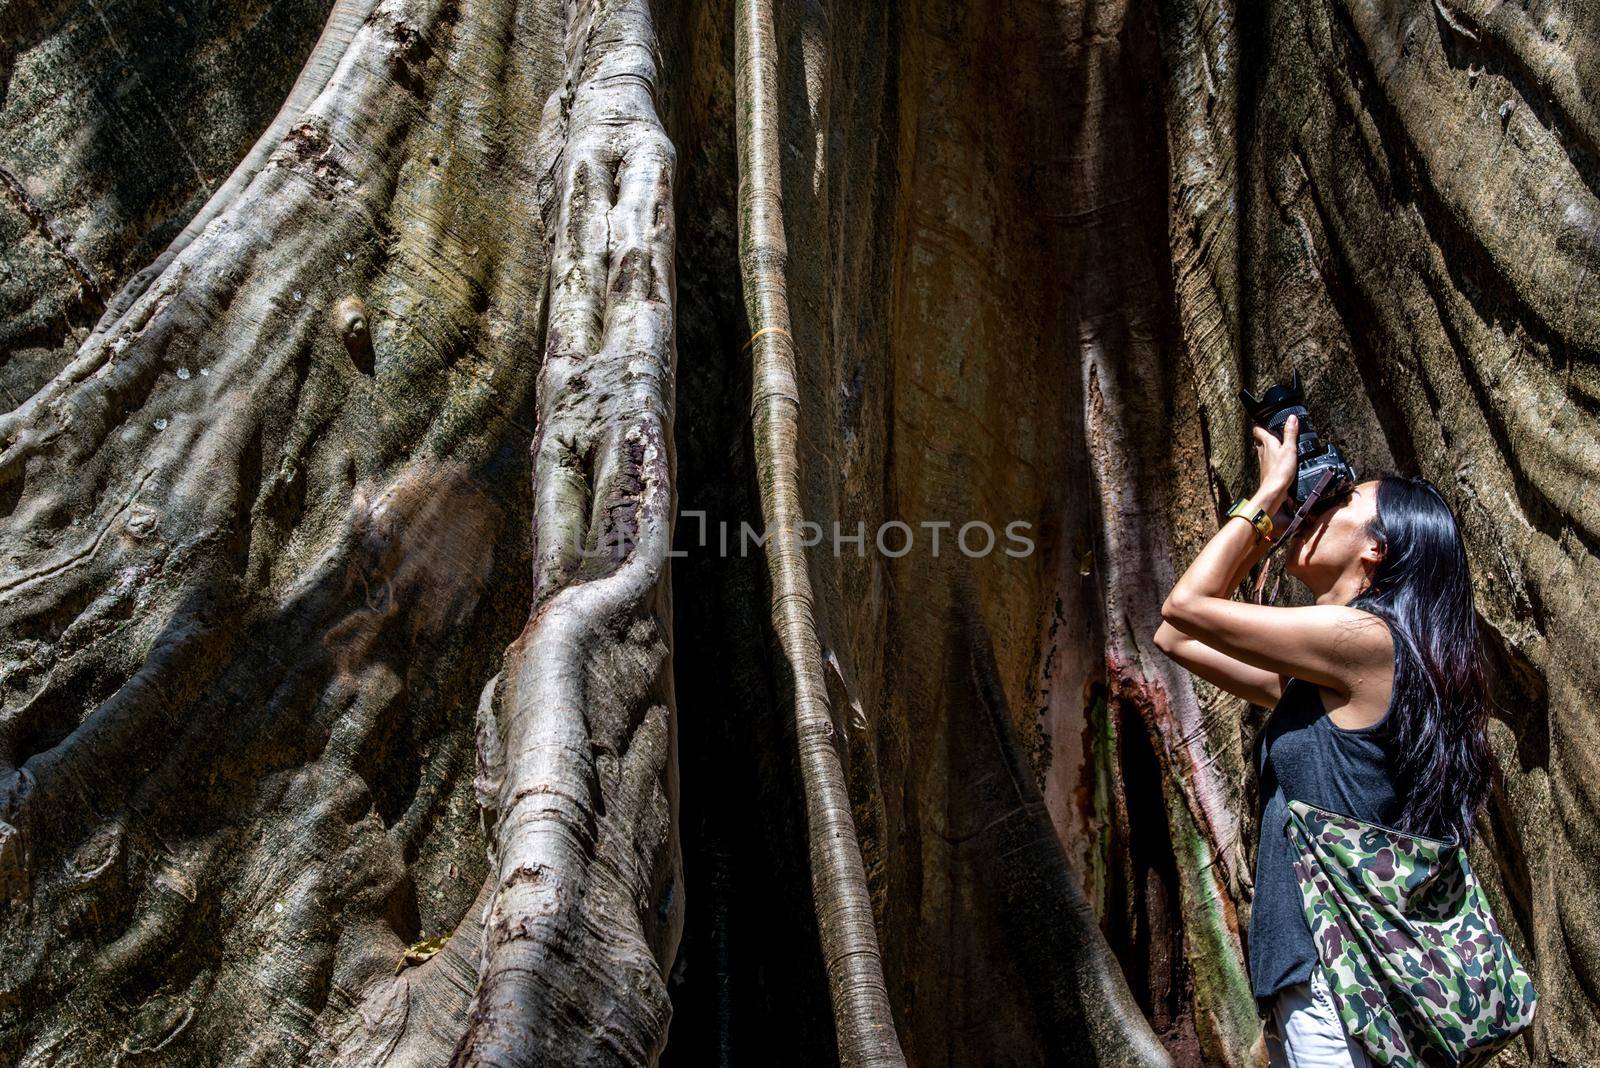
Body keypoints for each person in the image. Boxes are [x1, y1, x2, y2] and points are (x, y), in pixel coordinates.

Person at [1151, 414, 1494, 1068]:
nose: (1315, 516)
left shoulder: (1368, 643)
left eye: (1341, 505)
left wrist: (1271, 493)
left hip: (1346, 986)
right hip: (1324, 981)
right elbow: (1176, 642)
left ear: (1378, 550)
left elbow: (1185, 607)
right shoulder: (1333, 677)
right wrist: (1273, 526)